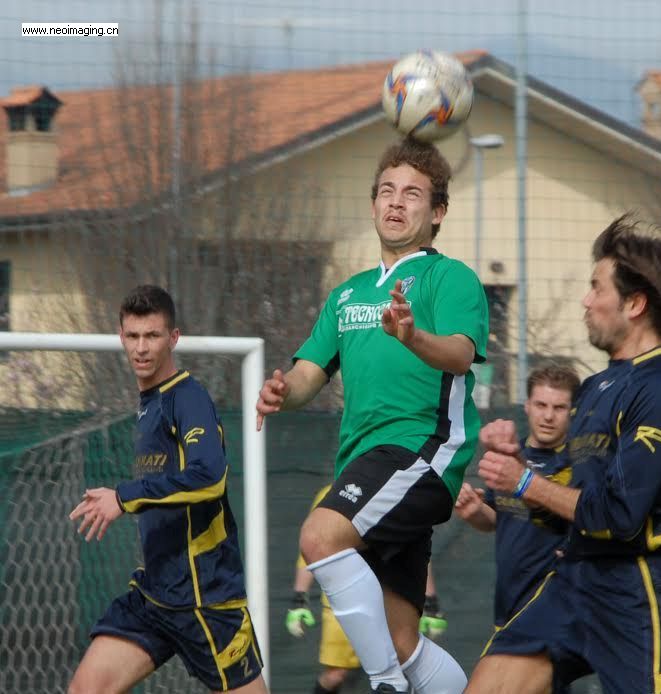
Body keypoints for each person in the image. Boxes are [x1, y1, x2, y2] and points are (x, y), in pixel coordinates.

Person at [256, 137, 488, 694]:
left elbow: (461, 354)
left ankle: (385, 685)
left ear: (437, 212)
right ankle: (404, 675)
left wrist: (413, 336)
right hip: (367, 464)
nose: (396, 202)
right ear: (373, 203)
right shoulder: (346, 295)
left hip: (421, 451)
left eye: (412, 194)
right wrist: (283, 392)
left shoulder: (450, 278)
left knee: (319, 536)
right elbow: (309, 373)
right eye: (387, 190)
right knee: (403, 639)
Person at [465, 215, 661, 694]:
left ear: (634, 304)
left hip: (640, 592)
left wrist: (524, 481)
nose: (586, 300)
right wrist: (517, 466)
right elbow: (570, 504)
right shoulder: (597, 388)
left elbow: (619, 515)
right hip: (575, 580)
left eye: (596, 287)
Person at [67, 285, 267, 694]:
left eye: (153, 336)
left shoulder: (187, 398)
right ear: (122, 337)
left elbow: (209, 476)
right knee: (87, 688)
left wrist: (123, 497)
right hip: (155, 595)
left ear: (173, 338)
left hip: (205, 598)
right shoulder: (149, 403)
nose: (141, 348)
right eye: (133, 336)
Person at [286, 485, 450, 694]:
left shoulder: (400, 491)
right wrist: (299, 599)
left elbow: (417, 553)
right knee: (336, 674)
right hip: (344, 598)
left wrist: (430, 602)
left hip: (392, 599)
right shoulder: (331, 493)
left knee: (406, 667)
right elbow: (312, 548)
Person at [454, 364, 580, 633]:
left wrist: (530, 483)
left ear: (573, 411)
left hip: (560, 609)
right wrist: (475, 511)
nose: (548, 416)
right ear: (527, 406)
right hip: (509, 604)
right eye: (541, 405)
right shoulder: (509, 454)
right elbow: (496, 519)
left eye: (559, 408)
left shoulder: (580, 462)